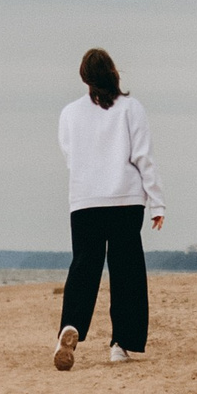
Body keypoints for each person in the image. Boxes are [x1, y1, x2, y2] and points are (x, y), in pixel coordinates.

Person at [54, 47, 164, 370]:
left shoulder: (70, 113)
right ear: (114, 72)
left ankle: (71, 326)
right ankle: (120, 344)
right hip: (126, 201)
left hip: (85, 201)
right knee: (125, 270)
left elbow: (69, 155)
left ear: (85, 77)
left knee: (84, 267)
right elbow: (144, 157)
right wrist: (157, 201)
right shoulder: (131, 109)